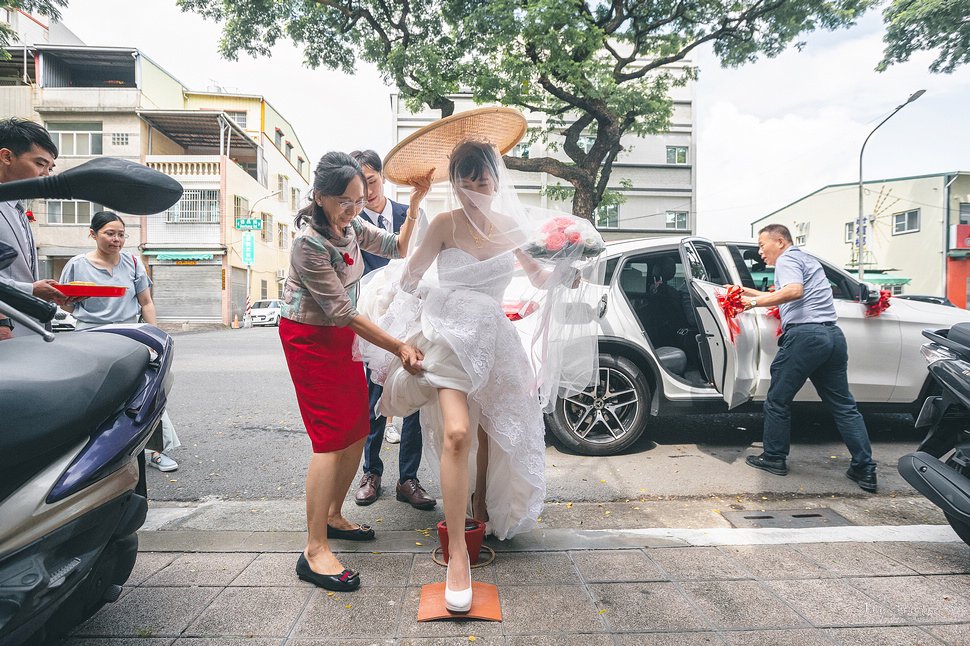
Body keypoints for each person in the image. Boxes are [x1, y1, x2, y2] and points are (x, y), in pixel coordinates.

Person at [361, 141, 599, 613]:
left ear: (496, 182)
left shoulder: (513, 227)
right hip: (450, 334)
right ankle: (455, 557)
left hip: (493, 336)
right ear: (454, 183)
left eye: (482, 180)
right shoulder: (445, 224)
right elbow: (409, 281)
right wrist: (413, 329)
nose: (473, 189)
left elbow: (535, 277)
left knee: (493, 427)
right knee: (456, 433)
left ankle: (481, 515)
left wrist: (566, 272)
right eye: (464, 181)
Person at [279, 151, 430, 593]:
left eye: (359, 199)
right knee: (330, 437)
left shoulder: (351, 225)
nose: (353, 208)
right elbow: (343, 311)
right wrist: (399, 344)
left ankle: (332, 514)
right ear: (321, 196)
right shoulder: (309, 243)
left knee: (357, 428)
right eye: (344, 200)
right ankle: (314, 550)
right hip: (309, 338)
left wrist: (416, 202)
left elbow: (399, 248)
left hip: (338, 335)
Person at [732, 223, 878, 492]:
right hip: (831, 337)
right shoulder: (804, 259)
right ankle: (865, 468)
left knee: (777, 399)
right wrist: (748, 293)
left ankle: (774, 458)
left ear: (780, 241)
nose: (760, 251)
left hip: (805, 338)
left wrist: (751, 303)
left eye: (762, 245)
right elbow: (787, 296)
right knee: (844, 406)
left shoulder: (787, 259)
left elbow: (794, 292)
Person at [58, 210, 181, 471]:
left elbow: (145, 302)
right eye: (109, 233)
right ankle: (92, 457)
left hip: (129, 335)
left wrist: (154, 337)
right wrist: (71, 300)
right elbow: (65, 306)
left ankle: (157, 452)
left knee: (147, 391)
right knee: (94, 396)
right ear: (93, 234)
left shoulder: (133, 263)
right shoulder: (76, 264)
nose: (116, 240)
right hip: (89, 336)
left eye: (121, 234)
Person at [349, 149, 433, 511]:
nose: (367, 191)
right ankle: (371, 473)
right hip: (371, 320)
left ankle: (408, 477)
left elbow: (430, 258)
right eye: (360, 184)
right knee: (372, 401)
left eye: (371, 181)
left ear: (381, 178)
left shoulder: (408, 213)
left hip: (411, 314)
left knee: (412, 392)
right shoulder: (349, 220)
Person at [0, 118, 69, 339]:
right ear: (6, 157)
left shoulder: (18, 207)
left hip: (28, 330)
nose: (46, 175)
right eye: (40, 164)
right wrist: (31, 291)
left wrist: (45, 292)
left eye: (50, 168)